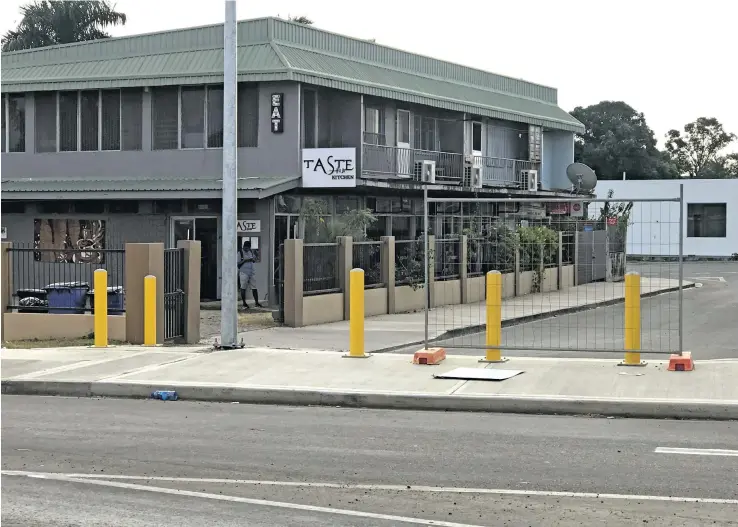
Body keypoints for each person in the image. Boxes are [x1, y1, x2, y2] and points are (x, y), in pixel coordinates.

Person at [238, 240, 263, 309]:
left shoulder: (251, 252)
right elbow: (238, 263)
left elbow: (254, 260)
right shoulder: (240, 253)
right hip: (243, 272)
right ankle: (244, 303)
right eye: (245, 248)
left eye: (247, 248)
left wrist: (254, 259)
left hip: (252, 272)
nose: (246, 249)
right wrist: (246, 260)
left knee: (254, 287)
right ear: (243, 246)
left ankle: (256, 303)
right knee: (243, 288)